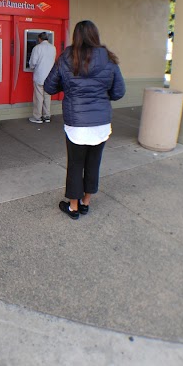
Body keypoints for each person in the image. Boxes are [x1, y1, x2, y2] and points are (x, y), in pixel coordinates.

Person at [44, 20, 125, 219]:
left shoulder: (66, 58)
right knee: (93, 164)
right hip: (101, 124)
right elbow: (119, 92)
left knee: (75, 165)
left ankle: (73, 207)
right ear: (95, 35)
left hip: (77, 124)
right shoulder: (109, 58)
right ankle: (86, 203)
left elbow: (49, 87)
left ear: (76, 36)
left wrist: (68, 87)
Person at [28, 32, 57, 124]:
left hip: (39, 76)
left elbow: (33, 63)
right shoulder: (53, 48)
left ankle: (37, 117)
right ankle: (47, 116)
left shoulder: (37, 48)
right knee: (47, 96)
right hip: (50, 77)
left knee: (38, 97)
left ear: (39, 39)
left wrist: (31, 67)